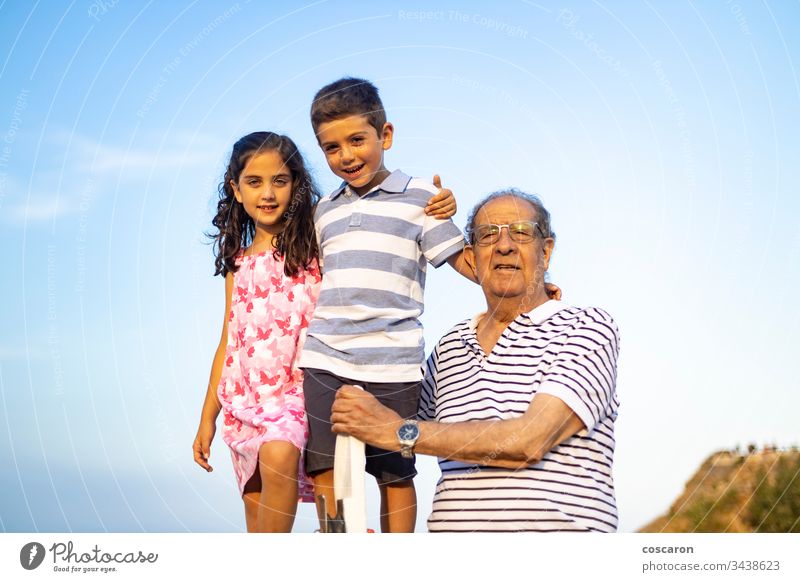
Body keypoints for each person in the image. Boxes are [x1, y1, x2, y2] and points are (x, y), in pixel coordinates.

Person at [191, 131, 456, 532]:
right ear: (236, 189)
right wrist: (206, 417)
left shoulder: (313, 242)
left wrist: (434, 205)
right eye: (254, 182)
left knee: (282, 453)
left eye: (280, 181)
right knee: (258, 520)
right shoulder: (237, 263)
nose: (267, 193)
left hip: (296, 392)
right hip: (243, 401)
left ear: (297, 186)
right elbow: (228, 342)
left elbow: (368, 233)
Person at [331, 189, 621, 532]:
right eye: (488, 235)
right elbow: (385, 432)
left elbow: (530, 439)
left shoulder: (587, 327)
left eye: (521, 232)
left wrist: (398, 431)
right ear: (472, 256)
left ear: (546, 250)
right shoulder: (448, 348)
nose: (504, 245)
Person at [299, 77, 475, 532]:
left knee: (394, 472)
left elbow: (465, 263)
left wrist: (531, 285)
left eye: (357, 140)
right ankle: (340, 549)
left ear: (386, 135)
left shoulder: (422, 198)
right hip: (325, 357)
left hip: (394, 361)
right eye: (331, 148)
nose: (347, 156)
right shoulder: (324, 210)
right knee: (324, 467)